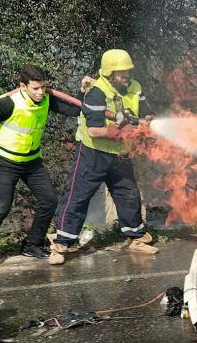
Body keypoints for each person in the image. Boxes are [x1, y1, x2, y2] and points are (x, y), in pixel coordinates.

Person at [0, 65, 80, 268]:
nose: (40, 92)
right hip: (5, 162)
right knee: (1, 208)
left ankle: (32, 245)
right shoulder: (9, 103)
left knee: (49, 201)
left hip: (32, 161)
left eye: (43, 87)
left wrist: (83, 92)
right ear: (22, 86)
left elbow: (74, 109)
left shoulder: (46, 99)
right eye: (35, 88)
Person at [50, 49, 157, 263]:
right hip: (93, 153)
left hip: (120, 154)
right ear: (109, 73)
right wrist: (123, 132)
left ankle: (136, 238)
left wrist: (146, 122)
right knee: (78, 196)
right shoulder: (97, 92)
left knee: (128, 194)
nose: (126, 76)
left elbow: (147, 111)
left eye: (127, 71)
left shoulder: (135, 87)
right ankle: (61, 244)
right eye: (121, 72)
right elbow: (94, 130)